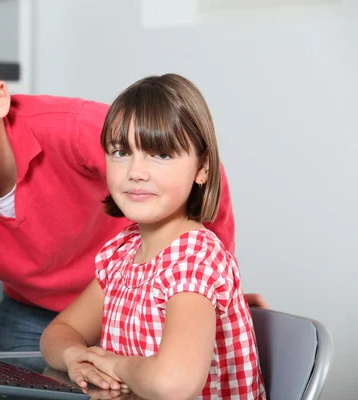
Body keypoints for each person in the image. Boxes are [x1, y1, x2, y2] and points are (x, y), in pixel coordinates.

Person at [0, 15, 265, 355]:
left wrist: (213, 289)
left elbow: (191, 170)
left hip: (132, 295)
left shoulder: (76, 128)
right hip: (33, 313)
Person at [39, 74, 266, 399]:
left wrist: (116, 366)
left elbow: (174, 383)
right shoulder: (123, 253)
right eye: (120, 152)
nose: (135, 171)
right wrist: (76, 357)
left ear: (202, 168)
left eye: (161, 155)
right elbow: (58, 333)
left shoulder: (194, 260)